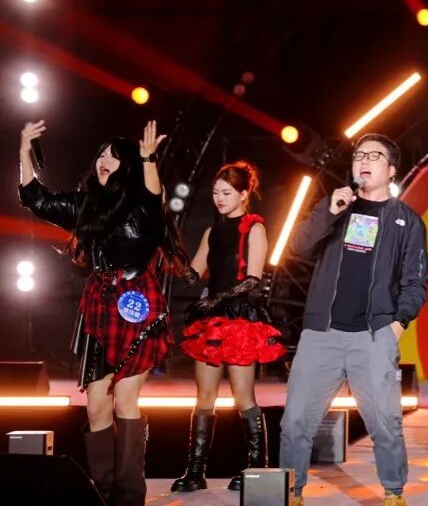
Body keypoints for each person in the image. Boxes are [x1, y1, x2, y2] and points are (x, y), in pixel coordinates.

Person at [18, 119, 184, 506]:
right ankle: (105, 494)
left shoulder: (144, 203)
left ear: (128, 165)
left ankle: (129, 496)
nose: (103, 161)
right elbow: (36, 199)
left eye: (113, 156)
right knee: (95, 406)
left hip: (137, 304)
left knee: (126, 399)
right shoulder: (87, 205)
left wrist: (148, 159)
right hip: (100, 306)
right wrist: (24, 150)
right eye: (100, 155)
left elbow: (154, 197)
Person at [279, 133, 428, 506]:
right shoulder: (335, 207)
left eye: (374, 156)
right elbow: (299, 247)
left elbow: (415, 281)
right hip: (322, 333)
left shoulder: (407, 221)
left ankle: (393, 492)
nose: (364, 161)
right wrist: (330, 211)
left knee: (386, 424)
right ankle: (291, 492)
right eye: (359, 155)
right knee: (295, 421)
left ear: (391, 170)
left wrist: (397, 324)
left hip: (373, 335)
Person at [171, 161, 286, 492]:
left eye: (226, 193)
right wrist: (171, 252)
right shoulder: (212, 231)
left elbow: (253, 279)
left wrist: (216, 300)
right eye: (215, 193)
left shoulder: (254, 228)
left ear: (244, 194)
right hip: (212, 321)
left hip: (239, 319)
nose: (219, 199)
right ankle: (195, 472)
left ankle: (258, 467)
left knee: (242, 395)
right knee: (204, 397)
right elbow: (193, 274)